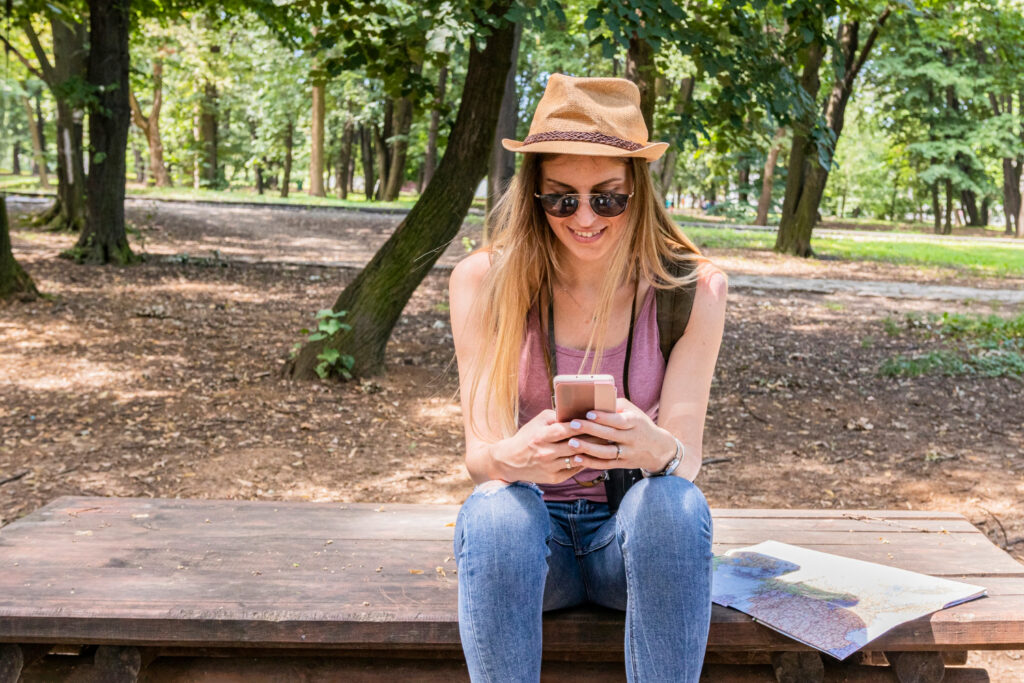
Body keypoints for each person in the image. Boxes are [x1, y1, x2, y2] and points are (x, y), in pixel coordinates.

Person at [447, 74, 727, 682]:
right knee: (496, 512)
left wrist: (655, 447)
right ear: (535, 196)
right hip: (529, 547)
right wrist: (515, 456)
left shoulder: (692, 289)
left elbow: (687, 458)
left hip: (626, 547)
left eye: (607, 198)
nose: (583, 218)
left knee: (675, 504)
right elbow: (480, 456)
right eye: (561, 199)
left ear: (638, 192)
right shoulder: (482, 283)